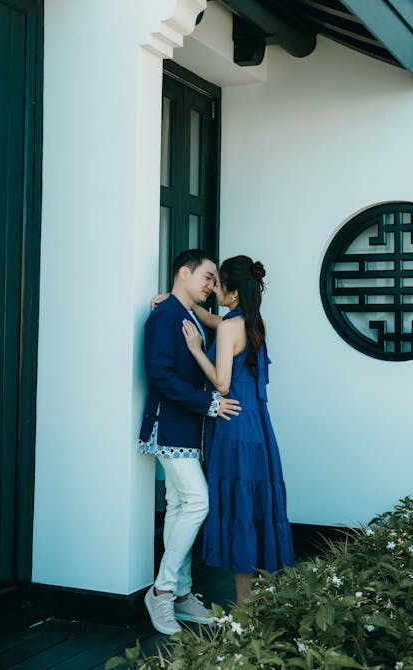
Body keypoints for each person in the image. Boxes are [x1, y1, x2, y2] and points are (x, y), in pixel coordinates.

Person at [138, 249, 241, 635]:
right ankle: (162, 590)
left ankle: (180, 594)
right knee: (198, 501)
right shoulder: (164, 316)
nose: (212, 287)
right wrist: (210, 403)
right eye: (207, 278)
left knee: (181, 503)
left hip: (187, 427)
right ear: (184, 272)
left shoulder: (182, 314)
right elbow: (160, 376)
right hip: (169, 425)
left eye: (215, 281)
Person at [181, 255, 294, 604]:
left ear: (231, 290)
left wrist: (197, 350)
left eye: (217, 283)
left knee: (239, 509)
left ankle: (245, 609)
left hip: (233, 426)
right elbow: (219, 320)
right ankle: (258, 604)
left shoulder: (230, 327)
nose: (213, 288)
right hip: (257, 427)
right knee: (254, 508)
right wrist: (191, 310)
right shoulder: (252, 321)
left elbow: (222, 383)